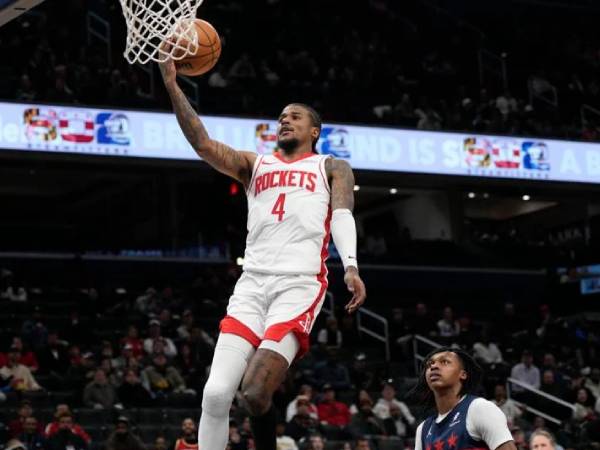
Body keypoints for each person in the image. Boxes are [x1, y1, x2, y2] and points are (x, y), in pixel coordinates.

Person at [159, 51, 367, 450]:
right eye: (281, 117)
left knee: (254, 393)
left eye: (295, 116)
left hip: (298, 287)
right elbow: (202, 143)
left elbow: (342, 214)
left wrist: (351, 267)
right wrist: (172, 83)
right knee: (216, 395)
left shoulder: (331, 166)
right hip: (251, 287)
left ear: (315, 131)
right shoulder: (255, 165)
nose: (285, 120)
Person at [411, 347, 516, 450]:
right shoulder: (423, 429)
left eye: (444, 362)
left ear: (463, 374)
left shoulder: (479, 409)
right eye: (430, 364)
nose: (433, 366)